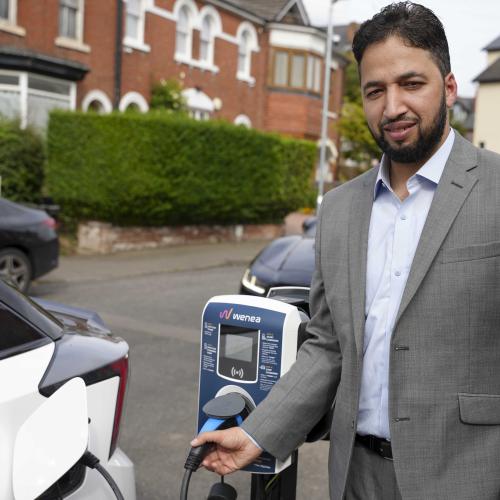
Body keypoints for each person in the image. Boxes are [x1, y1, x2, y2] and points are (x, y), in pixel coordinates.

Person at [192, 3, 500, 498]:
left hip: (470, 477)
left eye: (411, 84)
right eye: (375, 91)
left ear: (448, 87)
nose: (392, 106)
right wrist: (256, 433)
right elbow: (328, 346)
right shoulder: (338, 209)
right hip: (356, 477)